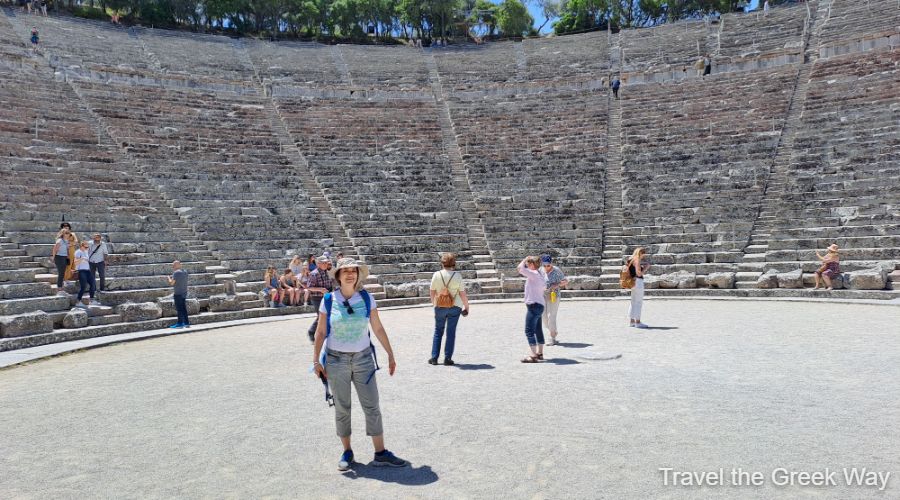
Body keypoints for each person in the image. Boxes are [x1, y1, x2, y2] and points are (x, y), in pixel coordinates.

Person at [312, 258, 408, 471]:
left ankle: (380, 452)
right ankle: (347, 451)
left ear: (358, 274)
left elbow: (378, 328)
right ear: (337, 276)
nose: (349, 274)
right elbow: (320, 332)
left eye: (353, 271)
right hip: (336, 360)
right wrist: (316, 360)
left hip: (364, 358)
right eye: (344, 271)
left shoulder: (366, 298)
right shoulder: (328, 300)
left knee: (372, 405)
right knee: (342, 408)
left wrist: (390, 354)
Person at [428, 253, 470, 366]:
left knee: (438, 331)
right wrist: (467, 306)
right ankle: (447, 358)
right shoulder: (458, 276)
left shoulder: (436, 275)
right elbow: (462, 294)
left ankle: (434, 358)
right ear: (453, 263)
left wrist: (434, 304)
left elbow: (432, 291)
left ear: (442, 263)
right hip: (455, 307)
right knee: (451, 333)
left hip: (440, 306)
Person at [517, 256, 546, 363]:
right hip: (540, 305)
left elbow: (520, 268)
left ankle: (533, 355)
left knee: (529, 331)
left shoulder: (533, 274)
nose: (527, 265)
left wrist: (524, 259)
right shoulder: (540, 275)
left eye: (529, 264)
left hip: (533, 305)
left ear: (533, 265)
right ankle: (540, 353)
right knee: (538, 330)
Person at [539, 255, 568, 346]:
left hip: (554, 295)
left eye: (548, 265)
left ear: (551, 263)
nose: (546, 267)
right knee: (543, 317)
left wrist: (557, 284)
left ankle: (552, 338)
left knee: (552, 315)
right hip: (543, 295)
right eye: (545, 265)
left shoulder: (556, 270)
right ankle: (553, 331)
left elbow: (566, 281)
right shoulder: (540, 270)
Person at [306, 255, 335, 342]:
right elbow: (309, 287)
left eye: (326, 262)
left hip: (327, 296)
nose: (326, 264)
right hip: (317, 298)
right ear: (318, 264)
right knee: (321, 316)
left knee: (327, 315)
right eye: (324, 263)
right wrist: (320, 289)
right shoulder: (314, 274)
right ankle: (311, 331)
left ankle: (326, 334)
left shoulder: (327, 272)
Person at [626, 247, 650, 328]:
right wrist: (645, 268)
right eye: (643, 255)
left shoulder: (630, 259)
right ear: (640, 253)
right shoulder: (637, 260)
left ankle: (632, 321)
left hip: (632, 282)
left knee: (633, 302)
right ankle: (638, 322)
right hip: (638, 282)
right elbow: (639, 274)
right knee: (638, 302)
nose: (643, 257)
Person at [167, 260, 190, 329]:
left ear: (178, 265)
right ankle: (186, 323)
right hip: (184, 293)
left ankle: (180, 323)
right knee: (184, 308)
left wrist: (169, 278)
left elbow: (172, 283)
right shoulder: (185, 272)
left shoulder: (176, 273)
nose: (173, 266)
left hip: (178, 293)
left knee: (179, 309)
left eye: (174, 265)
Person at [74, 240, 95, 306]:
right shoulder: (78, 252)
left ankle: (91, 300)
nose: (87, 249)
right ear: (81, 246)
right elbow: (75, 262)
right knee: (83, 286)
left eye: (88, 247)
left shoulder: (86, 251)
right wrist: (82, 259)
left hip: (88, 271)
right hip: (81, 271)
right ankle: (78, 301)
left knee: (93, 284)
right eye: (86, 247)